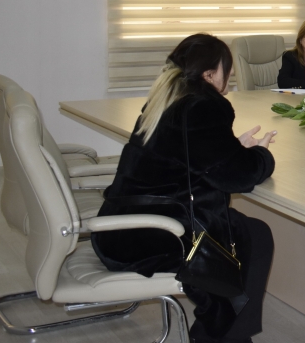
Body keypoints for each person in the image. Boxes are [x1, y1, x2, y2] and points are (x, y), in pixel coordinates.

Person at [92, 33, 278, 342]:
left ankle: (224, 332)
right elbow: (237, 177)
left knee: (246, 233)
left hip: (121, 230)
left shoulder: (168, 99)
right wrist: (261, 154)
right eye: (226, 69)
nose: (231, 74)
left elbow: (193, 157)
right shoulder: (203, 106)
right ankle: (220, 336)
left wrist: (233, 148)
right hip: (153, 235)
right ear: (209, 74)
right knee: (252, 236)